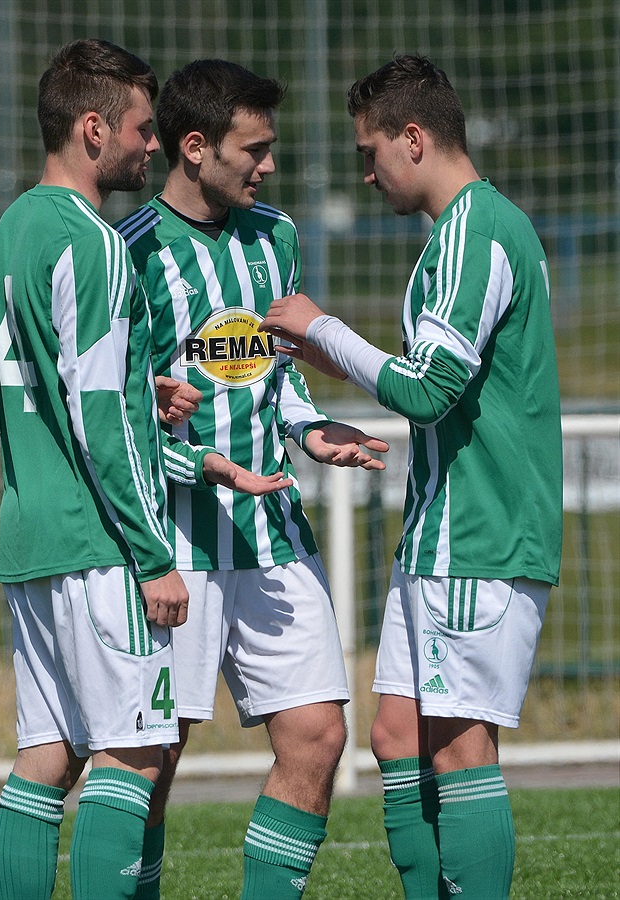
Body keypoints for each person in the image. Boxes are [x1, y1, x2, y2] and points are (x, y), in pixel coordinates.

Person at [0, 40, 290, 900]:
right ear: (92, 129)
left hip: (29, 530)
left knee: (46, 755)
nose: (151, 147)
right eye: (142, 130)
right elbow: (98, 418)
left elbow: (33, 389)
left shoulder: (5, 236)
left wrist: (132, 385)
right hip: (98, 538)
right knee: (135, 751)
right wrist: (153, 555)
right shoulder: (98, 242)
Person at [260, 54, 563, 899]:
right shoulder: (461, 234)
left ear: (415, 138)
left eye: (370, 151)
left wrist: (328, 328)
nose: (366, 171)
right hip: (441, 534)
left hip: (483, 532)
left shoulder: (475, 230)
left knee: (462, 748)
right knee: (396, 735)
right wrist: (330, 353)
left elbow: (431, 392)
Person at [116, 58, 389, 899]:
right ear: (193, 148)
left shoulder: (276, 236)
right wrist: (184, 454)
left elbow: (276, 373)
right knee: (150, 761)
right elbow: (111, 418)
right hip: (174, 544)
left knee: (316, 737)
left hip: (273, 534)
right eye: (253, 150)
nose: (267, 166)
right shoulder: (129, 253)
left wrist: (310, 430)